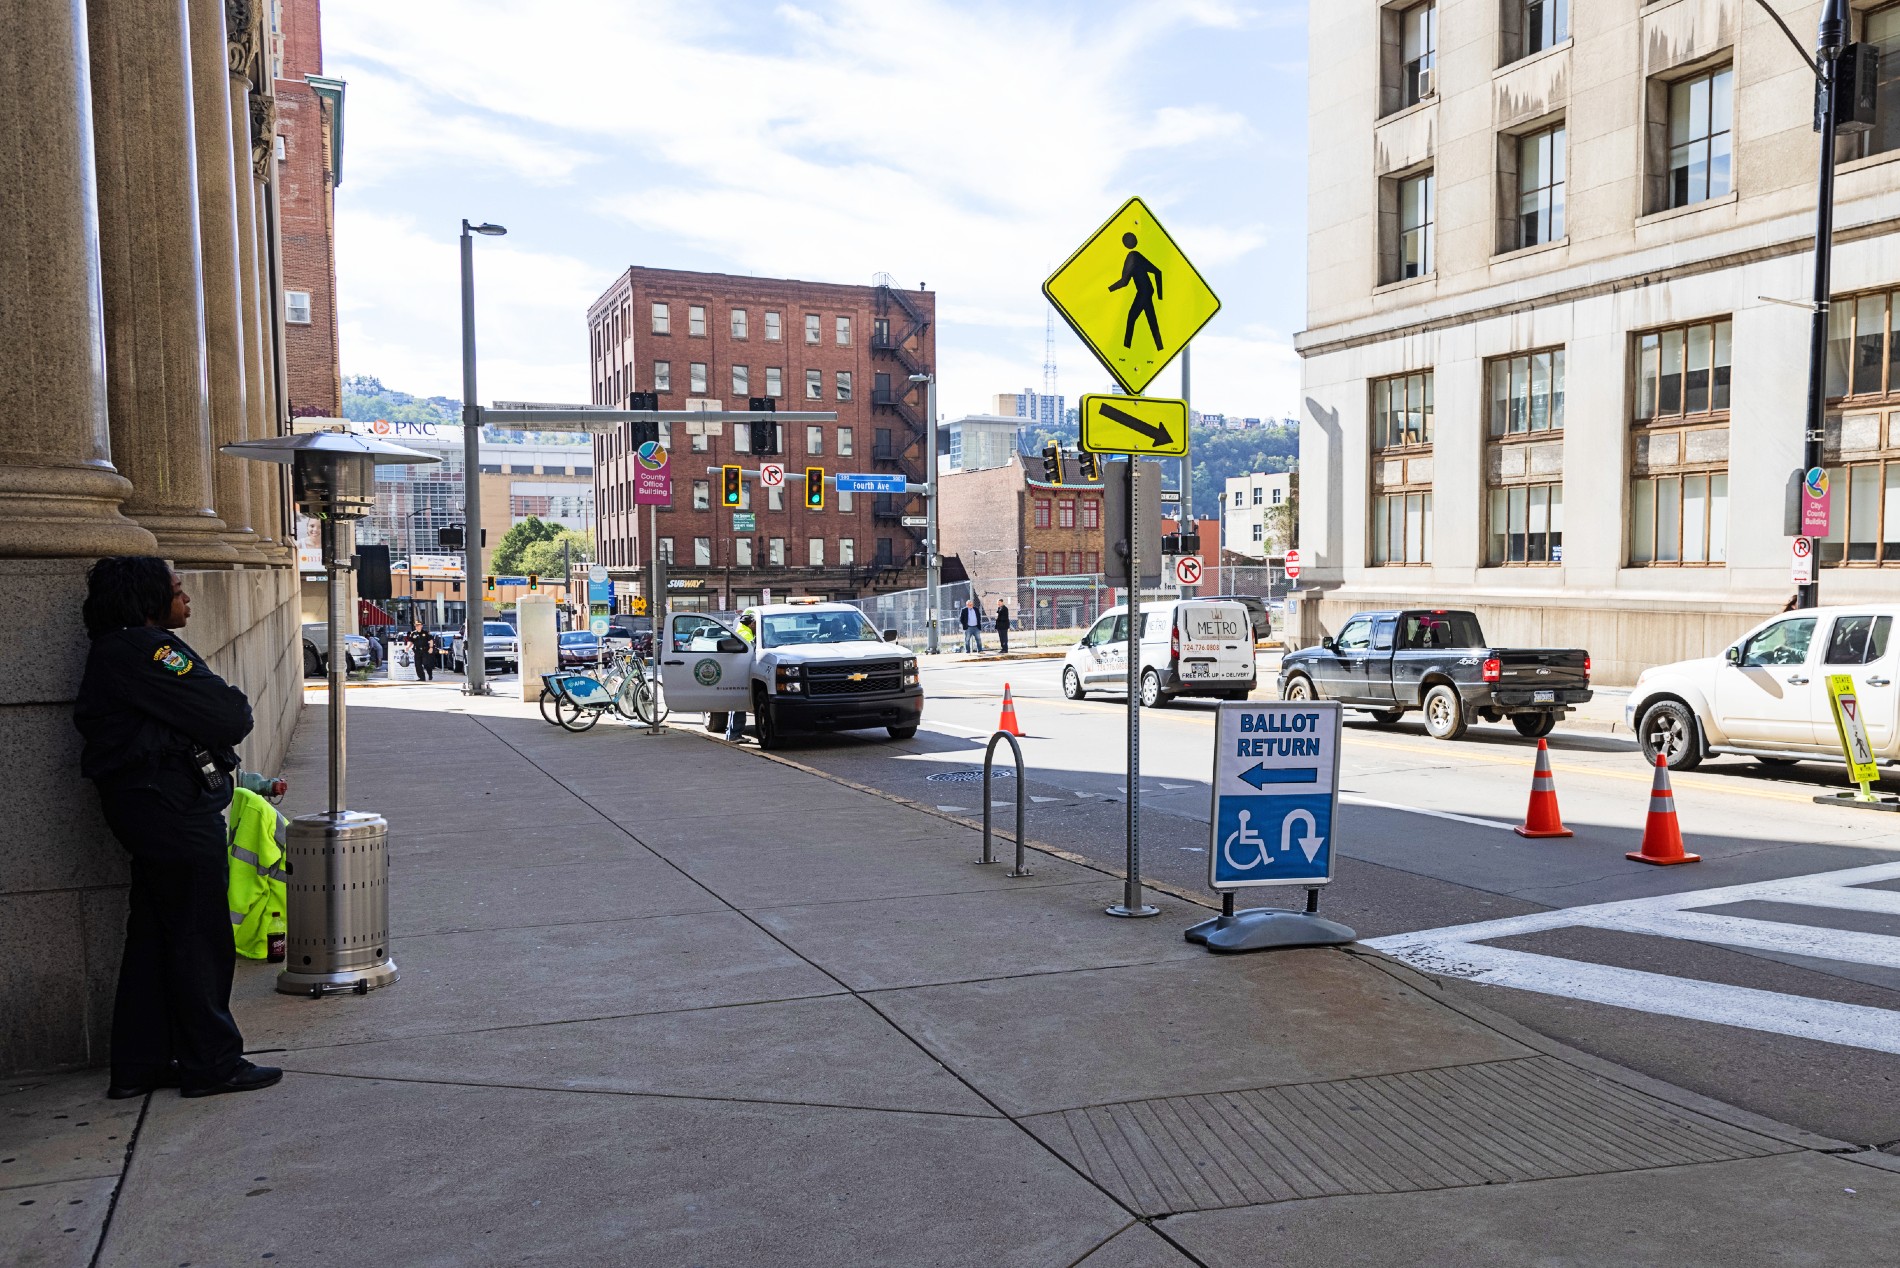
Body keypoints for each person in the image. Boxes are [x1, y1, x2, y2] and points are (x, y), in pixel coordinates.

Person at [73, 557, 282, 1100]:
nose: (186, 598)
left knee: (154, 934)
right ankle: (212, 1063)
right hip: (170, 811)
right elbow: (230, 714)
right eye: (176, 590)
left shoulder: (118, 651)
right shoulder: (147, 651)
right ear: (148, 600)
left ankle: (140, 1063)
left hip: (147, 807)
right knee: (198, 937)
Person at [727, 612, 756, 742]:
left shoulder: (741, 630)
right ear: (751, 624)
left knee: (738, 704)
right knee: (739, 704)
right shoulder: (746, 634)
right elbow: (752, 652)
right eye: (755, 623)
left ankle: (733, 734)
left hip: (738, 671)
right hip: (742, 672)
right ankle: (734, 734)